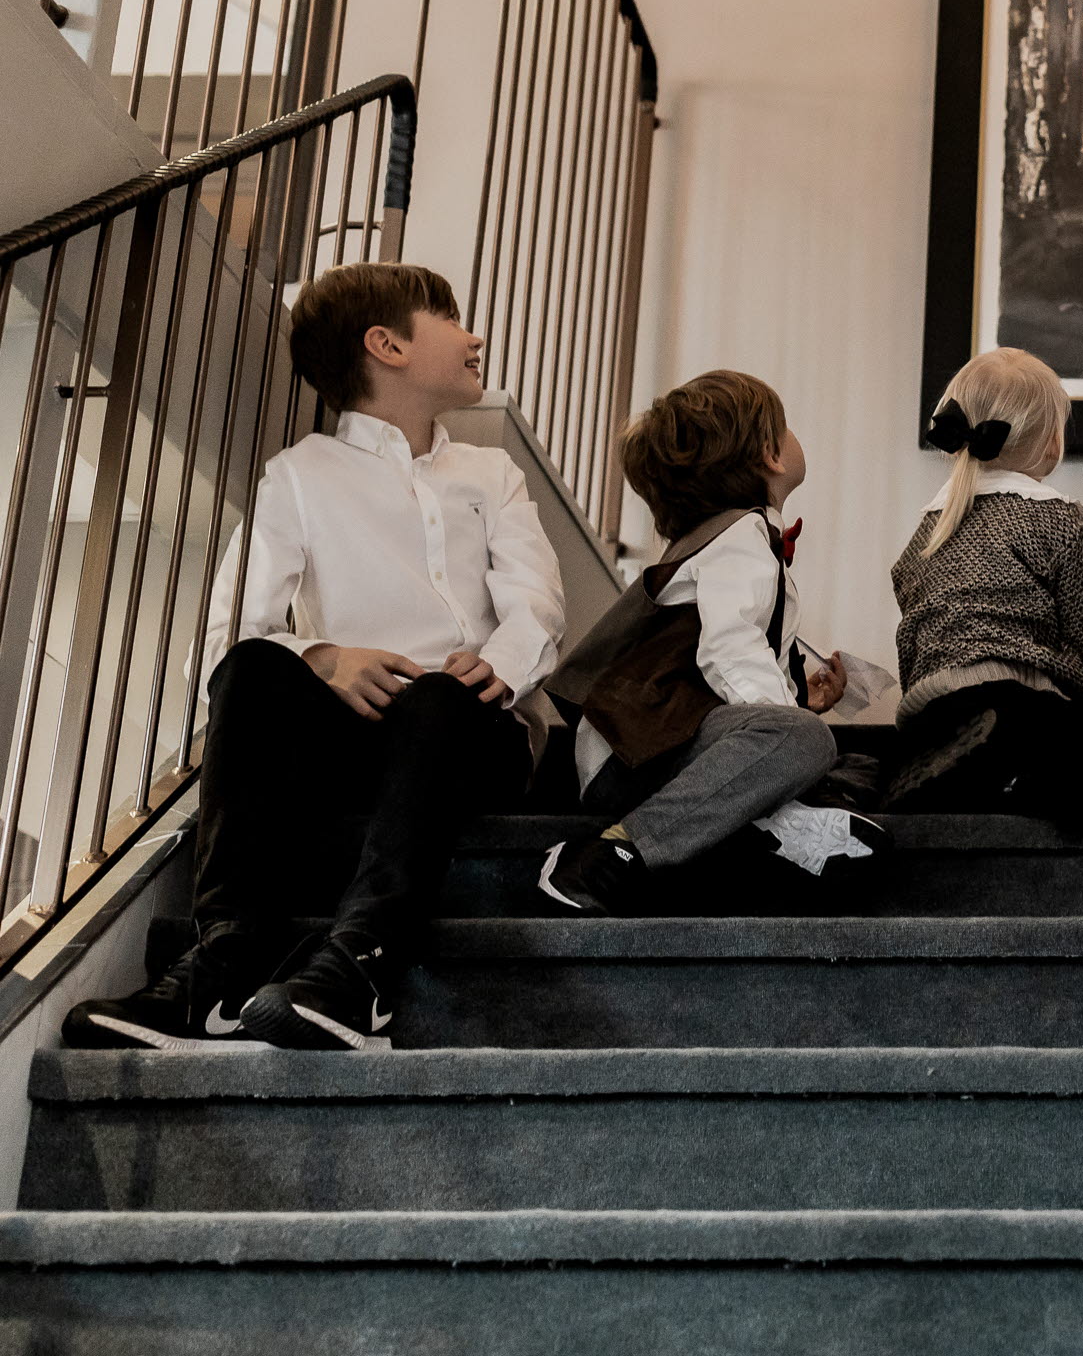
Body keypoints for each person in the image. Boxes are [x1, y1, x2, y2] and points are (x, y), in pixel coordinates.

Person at [64, 264, 565, 1051]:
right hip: (353, 743)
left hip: (472, 735)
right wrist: (323, 655)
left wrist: (503, 660)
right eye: (449, 318)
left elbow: (536, 597)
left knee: (437, 697)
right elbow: (230, 632)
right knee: (252, 670)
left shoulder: (490, 475)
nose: (474, 336)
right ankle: (226, 958)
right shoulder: (299, 476)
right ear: (387, 344)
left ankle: (360, 967)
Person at [535, 370, 844, 914]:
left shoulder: (725, 535)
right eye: (786, 427)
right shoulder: (741, 534)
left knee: (818, 749)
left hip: (655, 744)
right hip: (638, 750)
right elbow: (728, 648)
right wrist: (791, 725)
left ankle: (775, 828)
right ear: (771, 454)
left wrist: (798, 701)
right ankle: (613, 853)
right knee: (807, 743)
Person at [881, 348, 1083, 814]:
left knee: (989, 739)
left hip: (931, 703)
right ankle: (1026, 779)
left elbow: (913, 631)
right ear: (1050, 441)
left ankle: (946, 765)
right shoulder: (1055, 516)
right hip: (1015, 700)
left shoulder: (929, 527)